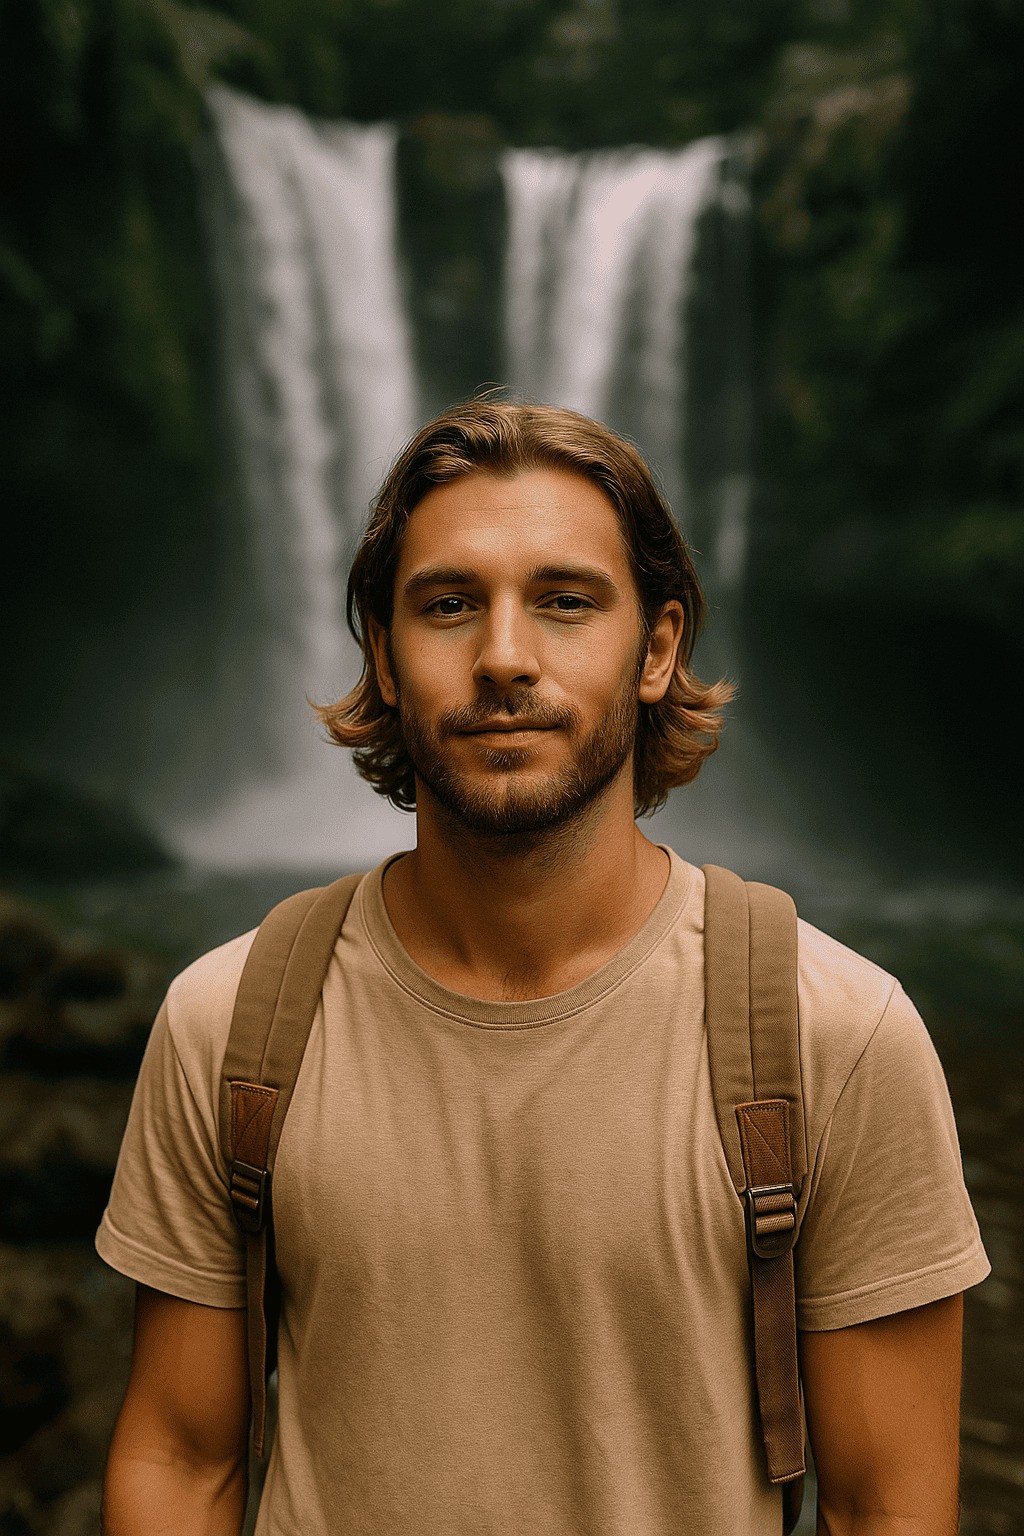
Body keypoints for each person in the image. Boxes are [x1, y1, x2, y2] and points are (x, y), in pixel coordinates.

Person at [97, 400, 989, 1535]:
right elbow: (180, 1461)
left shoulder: (837, 1039)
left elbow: (887, 1511)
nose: (504, 657)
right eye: (448, 605)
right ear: (382, 647)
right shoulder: (230, 1025)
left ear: (657, 649)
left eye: (564, 602)